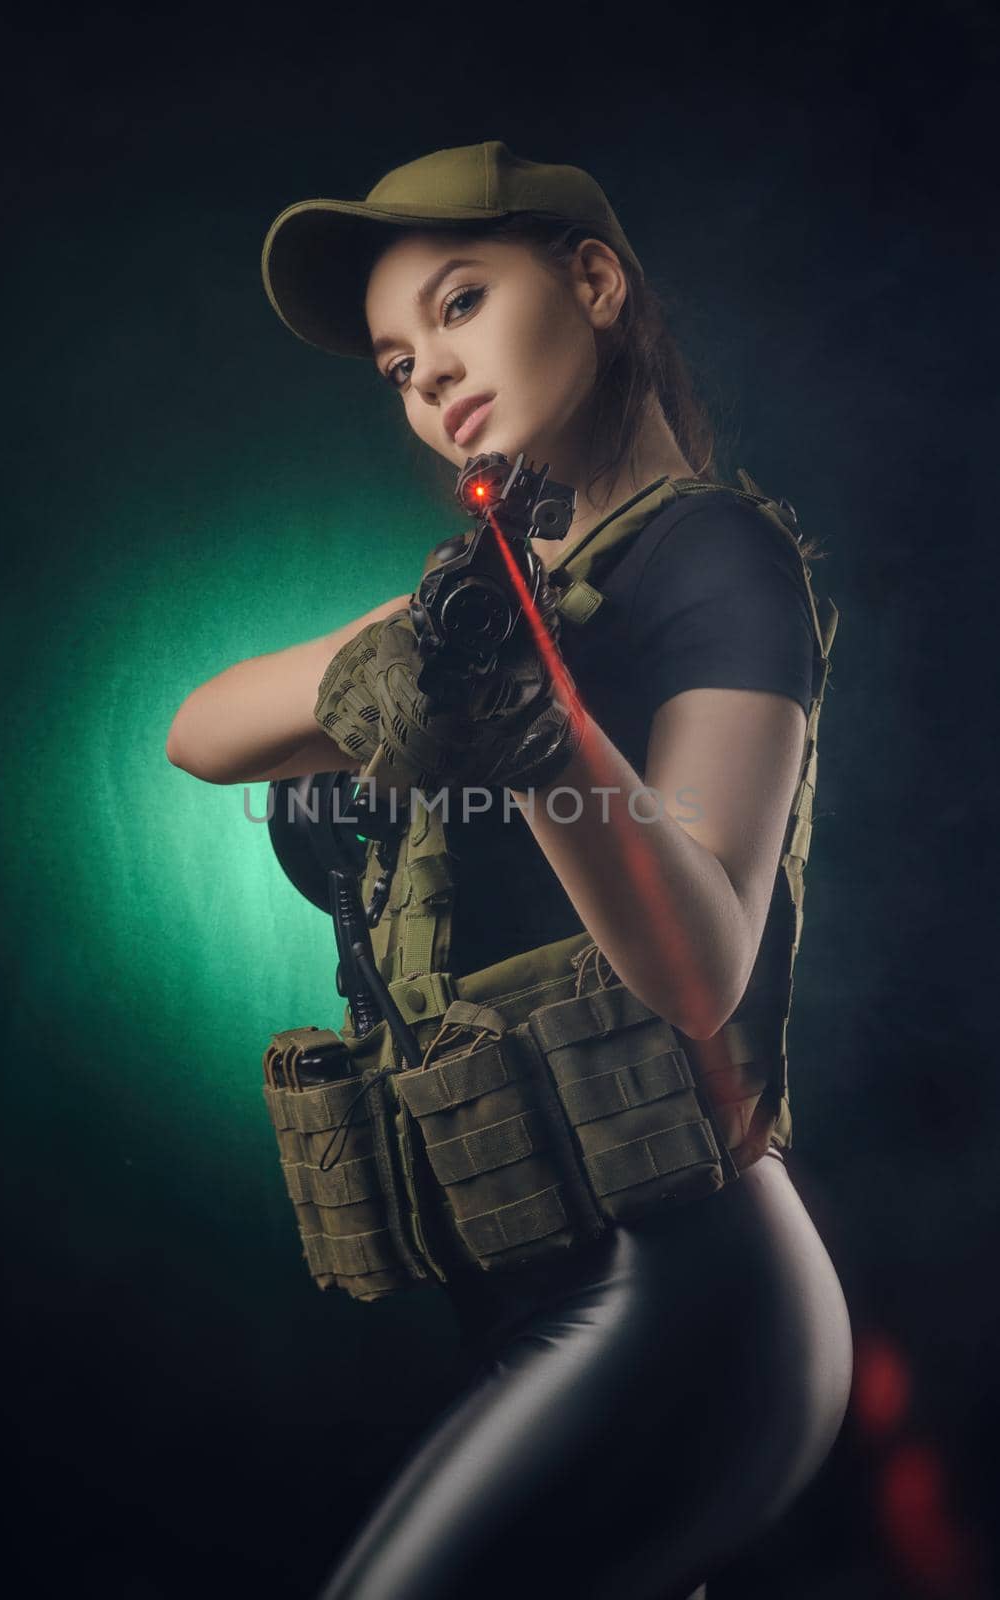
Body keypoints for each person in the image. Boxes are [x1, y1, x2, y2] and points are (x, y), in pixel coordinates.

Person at [166, 142, 854, 1600]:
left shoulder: (717, 560)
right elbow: (202, 731)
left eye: (463, 303)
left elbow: (702, 967)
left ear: (594, 280)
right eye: (396, 360)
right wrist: (443, 651)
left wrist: (537, 736)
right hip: (525, 1282)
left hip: (683, 1288)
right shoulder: (482, 608)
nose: (429, 377)